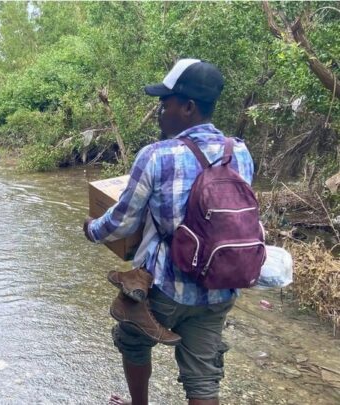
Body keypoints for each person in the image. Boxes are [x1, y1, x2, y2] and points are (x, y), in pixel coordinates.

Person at [83, 59, 255, 405]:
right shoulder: (240, 150)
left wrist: (91, 230)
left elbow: (123, 222)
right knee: (203, 378)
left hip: (168, 285)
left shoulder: (157, 155)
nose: (160, 111)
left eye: (166, 103)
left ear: (188, 107)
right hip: (222, 283)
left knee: (132, 337)